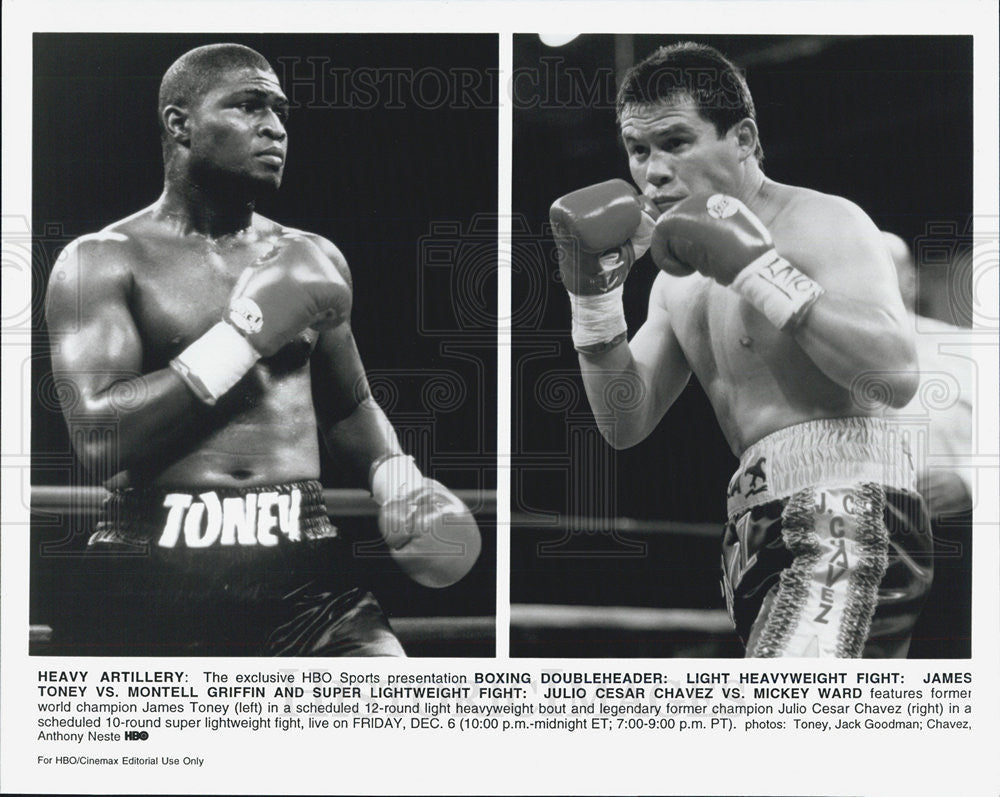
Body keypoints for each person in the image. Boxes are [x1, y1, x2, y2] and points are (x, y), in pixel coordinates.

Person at [43, 43, 481, 656]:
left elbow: (349, 404)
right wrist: (242, 334)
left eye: (278, 110)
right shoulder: (103, 260)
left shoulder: (313, 256)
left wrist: (399, 478)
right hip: (149, 571)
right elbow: (99, 436)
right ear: (181, 124)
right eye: (248, 106)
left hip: (303, 573)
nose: (274, 126)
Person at [550, 42, 932, 658]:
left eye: (676, 142)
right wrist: (593, 301)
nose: (653, 170)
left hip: (844, 509)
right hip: (752, 532)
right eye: (638, 149)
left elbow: (894, 374)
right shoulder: (677, 282)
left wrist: (759, 270)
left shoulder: (821, 221)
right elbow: (623, 421)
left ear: (745, 138)